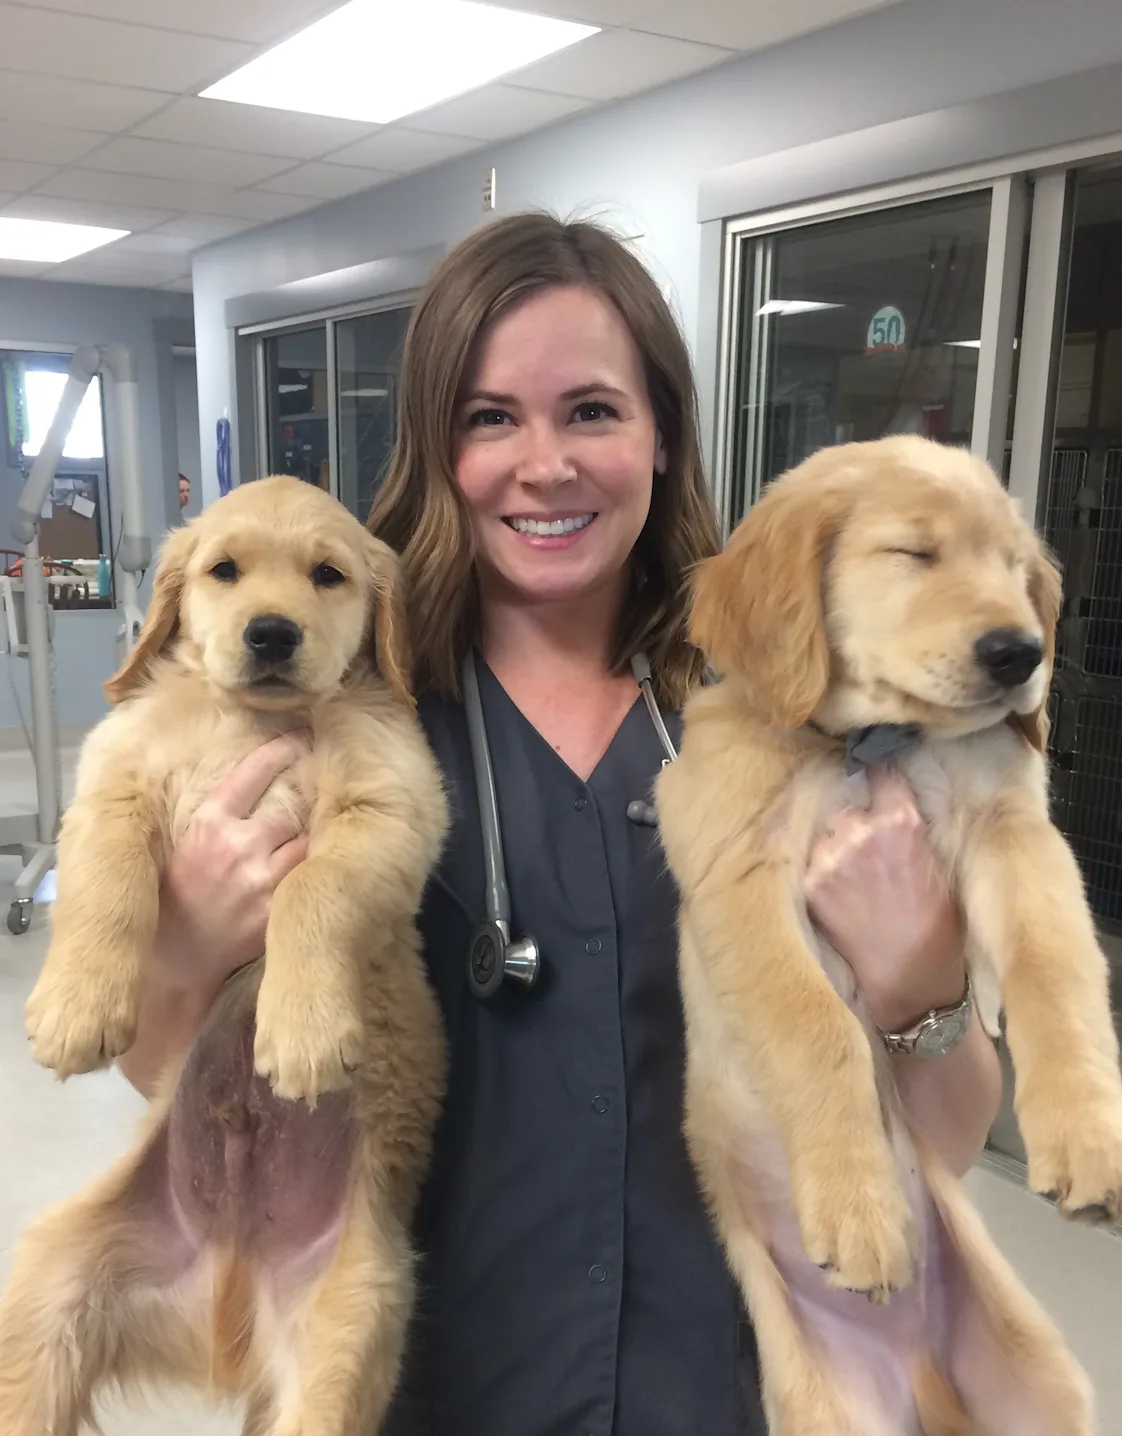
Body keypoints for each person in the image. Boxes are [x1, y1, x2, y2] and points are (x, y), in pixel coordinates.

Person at [119, 213, 1002, 1434]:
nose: (545, 465)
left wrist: (919, 978)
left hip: (726, 1389)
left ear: (661, 434)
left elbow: (953, 1133)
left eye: (592, 410)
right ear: (438, 445)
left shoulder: (792, 722)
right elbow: (178, 1092)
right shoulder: (334, 722)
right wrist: (181, 952)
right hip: (415, 1389)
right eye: (491, 417)